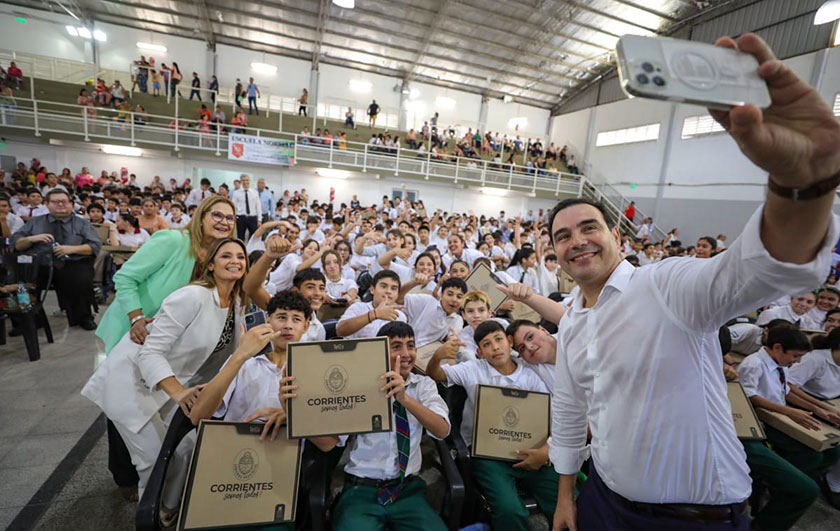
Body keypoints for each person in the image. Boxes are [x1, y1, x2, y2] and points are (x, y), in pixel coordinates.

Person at [500, 32, 840, 531]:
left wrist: (802, 187)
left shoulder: (667, 286)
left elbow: (757, 270)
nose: (577, 241)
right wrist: (566, 497)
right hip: (604, 504)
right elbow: (571, 412)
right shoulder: (571, 321)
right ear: (555, 252)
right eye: (563, 235)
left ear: (616, 235)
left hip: (692, 519)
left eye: (589, 227)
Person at [81, 238, 250, 508]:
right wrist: (179, 392)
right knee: (151, 458)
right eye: (226, 256)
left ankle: (171, 509)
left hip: (169, 384)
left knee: (178, 450)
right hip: (132, 382)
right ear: (209, 265)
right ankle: (153, 517)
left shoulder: (236, 301)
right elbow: (149, 352)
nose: (235, 261)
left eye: (240, 256)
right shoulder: (191, 296)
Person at [425, 320, 556, 530]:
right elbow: (436, 374)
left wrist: (544, 452)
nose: (495, 347)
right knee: (509, 509)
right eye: (486, 344)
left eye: (498, 340)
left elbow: (548, 418)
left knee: (563, 498)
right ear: (479, 351)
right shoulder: (472, 370)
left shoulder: (530, 376)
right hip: (487, 454)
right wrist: (438, 356)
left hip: (529, 449)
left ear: (510, 342)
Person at [331, 321, 450, 531]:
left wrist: (405, 399)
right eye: (396, 346)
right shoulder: (360, 388)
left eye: (411, 345)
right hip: (362, 488)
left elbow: (442, 430)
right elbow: (329, 443)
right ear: (379, 351)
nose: (406, 353)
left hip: (406, 489)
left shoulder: (423, 386)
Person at [737, 326, 840, 505]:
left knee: (828, 451)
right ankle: (778, 484)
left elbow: (786, 392)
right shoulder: (753, 364)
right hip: (761, 420)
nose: (798, 361)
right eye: (795, 356)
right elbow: (749, 397)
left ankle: (778, 485)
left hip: (778, 417)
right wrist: (789, 412)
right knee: (811, 455)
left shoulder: (780, 364)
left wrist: (819, 410)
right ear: (777, 347)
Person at [12, 189, 101, 330]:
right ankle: (28, 320)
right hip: (40, 263)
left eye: (64, 201)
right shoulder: (35, 222)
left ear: (71, 204)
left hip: (72, 262)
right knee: (21, 283)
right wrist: (30, 239)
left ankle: (83, 317)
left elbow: (95, 246)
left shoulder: (82, 223)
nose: (61, 205)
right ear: (46, 203)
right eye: (55, 202)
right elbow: (16, 243)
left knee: (81, 280)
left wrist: (72, 249)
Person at [337, 270, 406, 339]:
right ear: (372, 289)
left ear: (397, 294)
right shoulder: (358, 308)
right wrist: (374, 314)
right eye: (383, 286)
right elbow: (340, 331)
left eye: (393, 288)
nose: (388, 291)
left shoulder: (401, 317)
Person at [232, 174, 261, 241]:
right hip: (241, 218)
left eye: (247, 180)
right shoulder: (236, 193)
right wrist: (234, 217)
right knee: (240, 237)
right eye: (243, 180)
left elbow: (258, 206)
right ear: (241, 182)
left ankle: (251, 251)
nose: (245, 182)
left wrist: (259, 220)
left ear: (249, 181)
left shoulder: (255, 193)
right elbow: (234, 206)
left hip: (252, 218)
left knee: (253, 237)